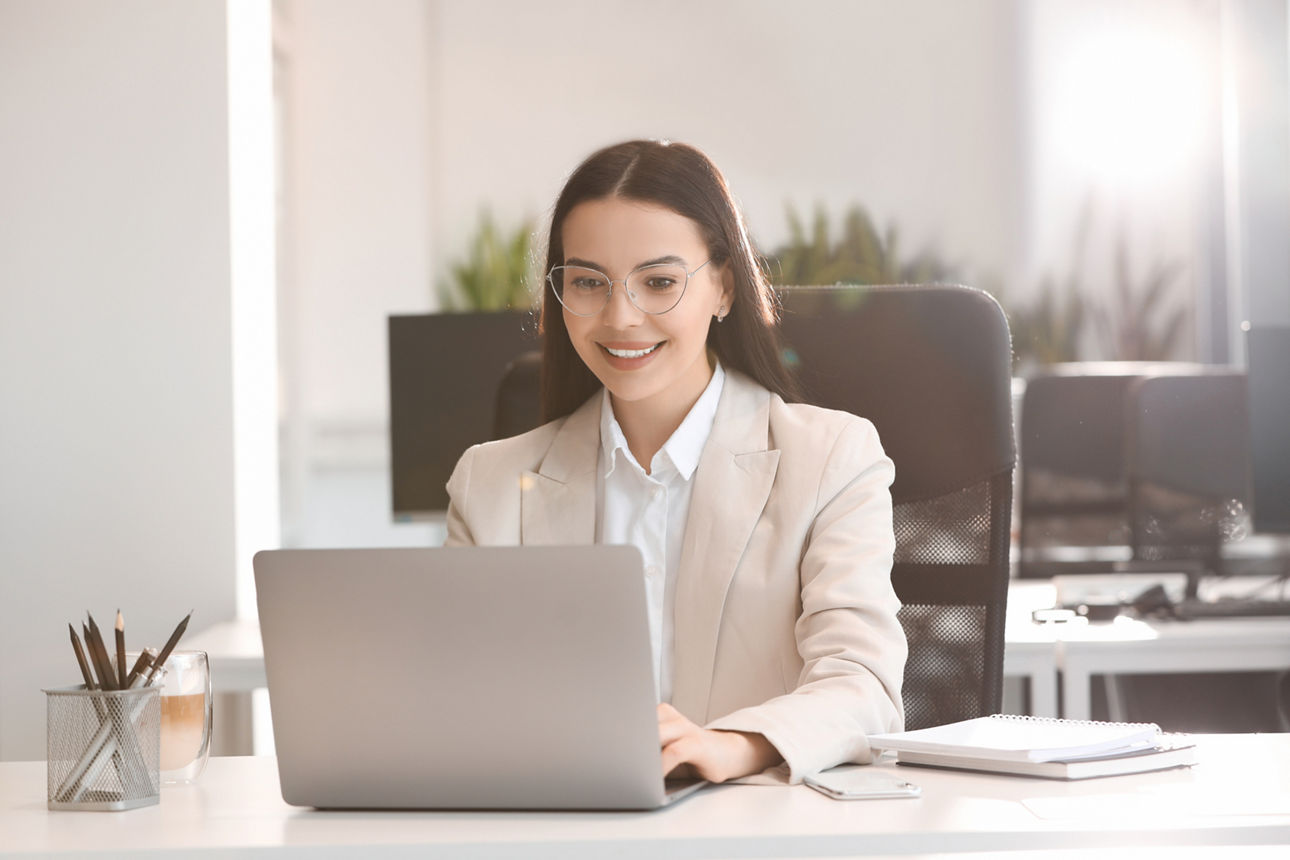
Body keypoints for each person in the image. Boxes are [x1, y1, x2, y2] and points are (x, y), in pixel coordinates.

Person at [445, 140, 906, 784]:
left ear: (723, 287)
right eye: (588, 283)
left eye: (658, 282)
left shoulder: (831, 457)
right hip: (563, 819)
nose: (620, 317)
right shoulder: (488, 484)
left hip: (760, 821)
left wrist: (731, 745)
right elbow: (455, 697)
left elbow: (863, 686)